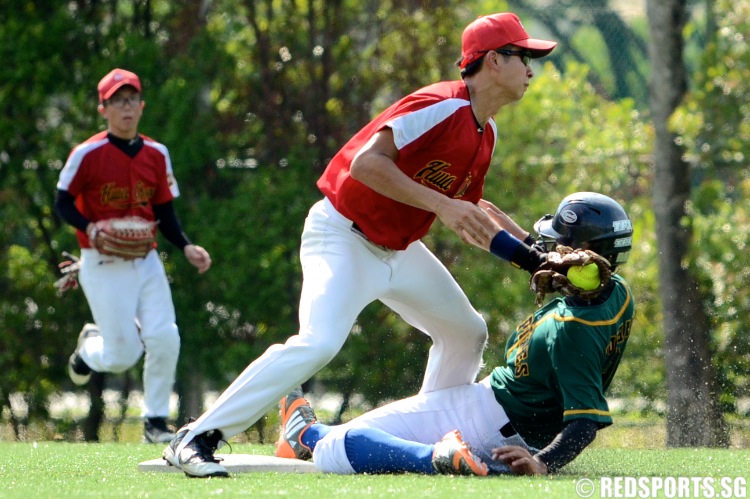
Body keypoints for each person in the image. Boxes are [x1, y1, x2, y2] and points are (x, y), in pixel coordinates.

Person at [162, 12, 557, 477]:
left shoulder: (484, 131)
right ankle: (196, 437)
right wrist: (443, 206)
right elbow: (366, 165)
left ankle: (427, 447)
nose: (531, 69)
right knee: (318, 343)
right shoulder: (443, 105)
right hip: (343, 235)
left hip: (398, 250)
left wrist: (534, 254)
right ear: (493, 60)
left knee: (465, 333)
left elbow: (474, 211)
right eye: (524, 57)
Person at [273, 192, 635, 476]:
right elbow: (560, 265)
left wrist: (543, 462)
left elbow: (585, 421)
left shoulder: (573, 330)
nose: (549, 252)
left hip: (489, 419)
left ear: (580, 258)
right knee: (376, 434)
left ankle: (306, 435)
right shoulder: (614, 290)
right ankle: (311, 437)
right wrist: (513, 237)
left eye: (558, 245)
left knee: (338, 446)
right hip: (499, 417)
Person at [55, 68, 212, 444]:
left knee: (165, 337)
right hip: (102, 262)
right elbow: (62, 202)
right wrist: (90, 226)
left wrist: (186, 245)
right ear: (103, 109)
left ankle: (155, 422)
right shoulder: (87, 153)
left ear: (140, 107)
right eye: (116, 101)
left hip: (146, 259)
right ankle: (89, 348)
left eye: (131, 100)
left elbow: (164, 210)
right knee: (123, 355)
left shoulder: (157, 154)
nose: (125, 108)